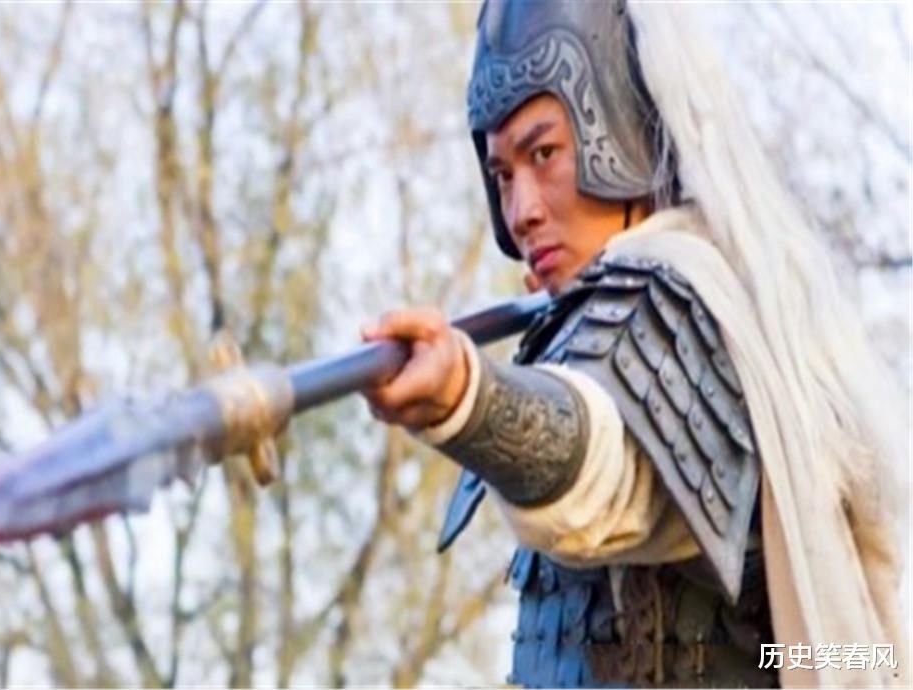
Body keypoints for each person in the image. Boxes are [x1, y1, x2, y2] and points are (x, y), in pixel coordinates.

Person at [361, 1, 908, 687]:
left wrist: (467, 399)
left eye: (544, 154)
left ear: (618, 132)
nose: (521, 210)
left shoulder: (679, 303)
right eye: (503, 175)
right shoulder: (616, 314)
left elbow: (605, 464)